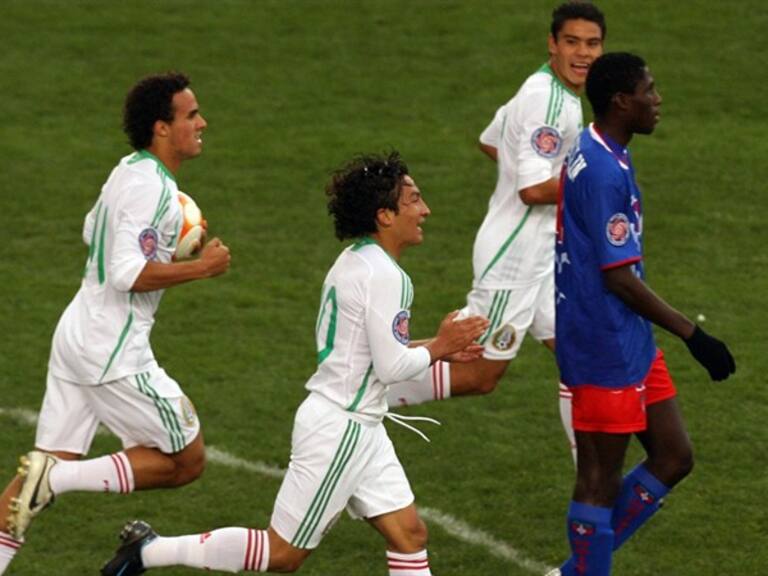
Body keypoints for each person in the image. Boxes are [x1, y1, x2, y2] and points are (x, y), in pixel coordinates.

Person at [100, 152, 489, 575]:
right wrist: (441, 345)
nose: (425, 209)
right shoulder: (386, 276)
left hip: (358, 423)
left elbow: (369, 350)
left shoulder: (357, 261)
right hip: (342, 429)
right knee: (282, 553)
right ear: (385, 215)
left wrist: (440, 345)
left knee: (409, 534)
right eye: (414, 200)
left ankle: (147, 550)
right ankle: (148, 551)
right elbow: (394, 368)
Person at [0, 72, 231, 575]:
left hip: (77, 335)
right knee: (186, 461)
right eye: (190, 115)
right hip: (114, 352)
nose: (201, 122)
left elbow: (92, 230)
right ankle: (58, 479)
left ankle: (42, 487)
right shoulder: (155, 191)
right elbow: (127, 273)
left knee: (31, 483)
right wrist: (200, 266)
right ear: (161, 128)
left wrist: (162, 242)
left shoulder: (129, 170)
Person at [386, 1, 606, 462]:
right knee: (480, 374)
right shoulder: (547, 100)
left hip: (543, 254)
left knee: (582, 354)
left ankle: (593, 482)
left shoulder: (545, 90)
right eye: (572, 42)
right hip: (516, 257)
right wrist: (595, 189)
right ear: (552, 44)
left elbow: (491, 140)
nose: (582, 53)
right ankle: (364, 397)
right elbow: (530, 189)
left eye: (592, 44)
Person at [549, 52, 735, 575]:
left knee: (674, 455)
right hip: (601, 342)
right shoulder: (605, 170)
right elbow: (618, 277)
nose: (657, 101)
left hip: (627, 338)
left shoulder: (598, 147)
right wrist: (694, 335)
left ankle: (576, 569)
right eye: (649, 91)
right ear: (621, 101)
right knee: (597, 481)